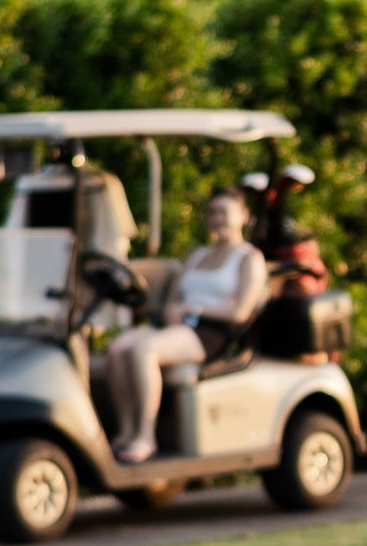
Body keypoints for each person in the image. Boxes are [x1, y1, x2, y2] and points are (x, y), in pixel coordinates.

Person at [105, 187, 268, 464]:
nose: (217, 219)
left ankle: (146, 435)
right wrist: (172, 310)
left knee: (144, 350)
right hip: (180, 328)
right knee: (118, 348)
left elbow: (240, 311)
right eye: (213, 213)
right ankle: (127, 429)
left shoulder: (248, 258)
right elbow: (175, 297)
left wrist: (193, 309)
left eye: (224, 213)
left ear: (243, 216)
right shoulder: (198, 255)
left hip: (212, 332)